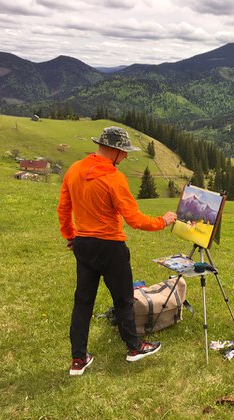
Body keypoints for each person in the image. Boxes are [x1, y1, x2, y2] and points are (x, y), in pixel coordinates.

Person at [57, 126, 177, 376]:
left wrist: (71, 236)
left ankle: (78, 360)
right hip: (111, 247)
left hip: (84, 244)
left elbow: (63, 208)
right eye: (123, 153)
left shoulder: (74, 170)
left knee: (82, 302)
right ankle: (134, 348)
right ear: (113, 150)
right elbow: (134, 220)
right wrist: (163, 221)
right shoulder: (113, 178)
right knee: (123, 299)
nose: (124, 158)